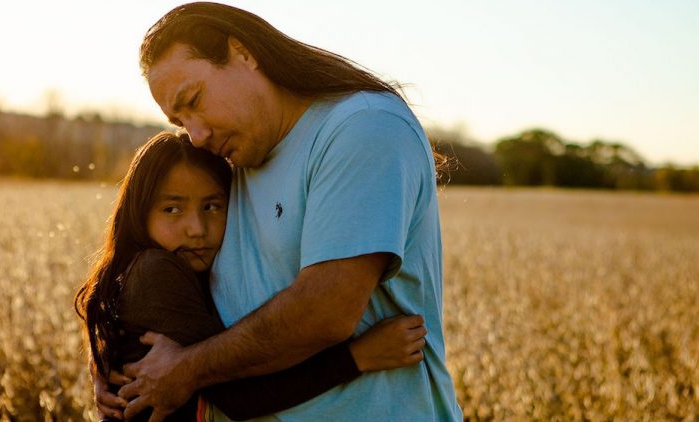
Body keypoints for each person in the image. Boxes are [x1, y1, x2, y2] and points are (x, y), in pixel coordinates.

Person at [102, 2, 465, 421]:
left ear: (243, 52)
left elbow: (325, 312)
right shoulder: (237, 157)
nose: (196, 135)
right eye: (180, 120)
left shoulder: (362, 128)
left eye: (194, 100)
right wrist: (112, 362)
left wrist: (184, 368)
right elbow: (153, 263)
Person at [75, 131, 430, 421]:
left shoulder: (188, 267)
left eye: (212, 206)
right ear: (140, 214)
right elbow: (238, 396)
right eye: (172, 209)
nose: (197, 228)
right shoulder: (155, 272)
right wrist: (359, 357)